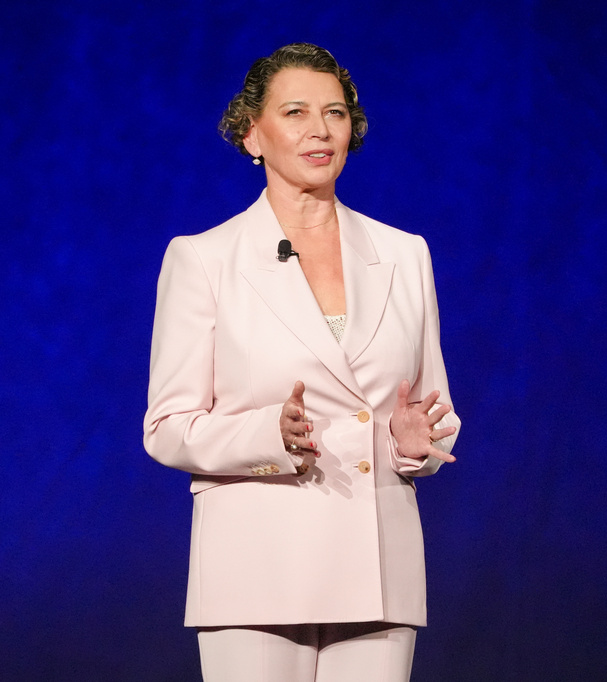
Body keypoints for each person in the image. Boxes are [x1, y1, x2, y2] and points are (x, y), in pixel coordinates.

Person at [143, 42, 460, 682]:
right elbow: (167, 426)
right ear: (251, 134)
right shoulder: (205, 259)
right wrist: (269, 434)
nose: (320, 130)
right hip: (256, 565)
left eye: (335, 113)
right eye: (295, 112)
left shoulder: (405, 255)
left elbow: (433, 413)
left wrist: (413, 445)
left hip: (377, 566)